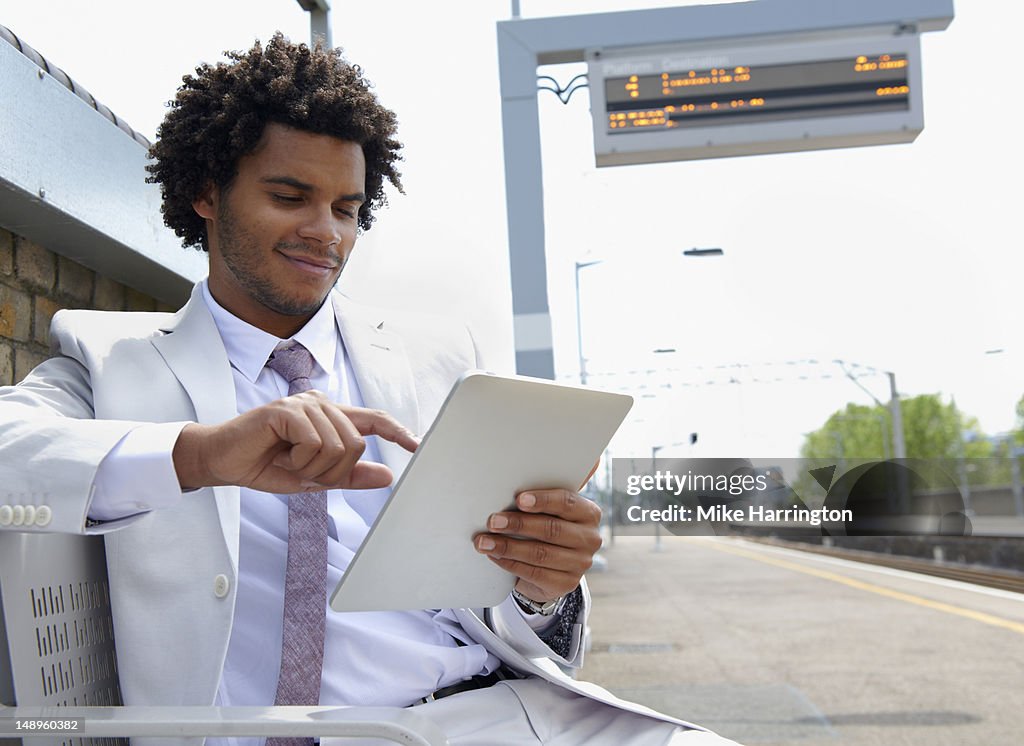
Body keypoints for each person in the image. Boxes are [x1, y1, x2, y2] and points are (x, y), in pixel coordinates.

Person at [0, 34, 740, 746]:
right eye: (290, 196)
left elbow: (511, 618)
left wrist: (542, 583)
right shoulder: (112, 361)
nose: (326, 233)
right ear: (206, 192)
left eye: (348, 210)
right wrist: (204, 455)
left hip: (500, 717)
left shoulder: (440, 359)